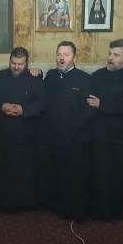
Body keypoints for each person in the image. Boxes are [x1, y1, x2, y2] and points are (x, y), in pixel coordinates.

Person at [86, 39, 123, 219]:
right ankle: (97, 209)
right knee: (98, 172)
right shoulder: (98, 76)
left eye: (116, 55)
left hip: (121, 137)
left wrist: (102, 104)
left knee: (117, 175)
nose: (110, 58)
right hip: (99, 134)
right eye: (110, 54)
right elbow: (88, 100)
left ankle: (114, 212)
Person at [39, 41, 95, 219]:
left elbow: (90, 109)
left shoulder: (85, 79)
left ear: (74, 57)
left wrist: (74, 129)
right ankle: (54, 205)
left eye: (66, 55)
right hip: (52, 135)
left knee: (72, 175)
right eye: (59, 54)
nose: (61, 58)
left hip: (74, 137)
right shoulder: (51, 76)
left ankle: (72, 209)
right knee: (53, 172)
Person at [0, 46, 45, 211]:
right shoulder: (0, 77)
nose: (16, 67)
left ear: (26, 63)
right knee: (4, 170)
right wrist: (2, 106)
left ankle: (24, 203)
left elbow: (42, 103)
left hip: (26, 135)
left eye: (20, 64)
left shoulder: (35, 79)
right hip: (4, 133)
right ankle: (1, 203)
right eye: (13, 63)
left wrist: (23, 110)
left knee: (24, 170)